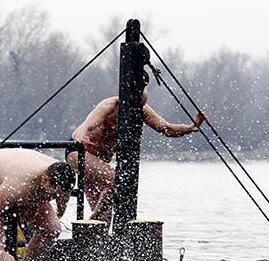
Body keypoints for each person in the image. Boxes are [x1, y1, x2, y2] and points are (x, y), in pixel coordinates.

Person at [70, 88, 205, 222]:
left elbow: (166, 129)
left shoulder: (140, 110)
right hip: (79, 152)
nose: (133, 112)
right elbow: (85, 128)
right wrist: (82, 137)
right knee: (115, 180)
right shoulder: (108, 106)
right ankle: (94, 218)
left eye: (138, 107)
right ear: (122, 102)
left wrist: (190, 128)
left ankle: (91, 235)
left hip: (101, 162)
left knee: (105, 218)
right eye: (130, 107)